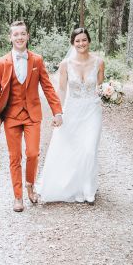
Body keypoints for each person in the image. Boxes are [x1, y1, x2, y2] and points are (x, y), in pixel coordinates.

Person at [0, 20, 63, 212]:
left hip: (32, 115)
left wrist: (57, 111)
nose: (19, 37)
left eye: (23, 34)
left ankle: (30, 184)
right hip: (11, 116)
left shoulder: (37, 60)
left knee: (32, 153)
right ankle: (18, 196)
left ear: (28, 36)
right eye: (16, 34)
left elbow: (47, 87)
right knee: (15, 157)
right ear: (10, 37)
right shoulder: (1, 63)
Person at [36, 27, 104, 203]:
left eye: (84, 40)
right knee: (71, 147)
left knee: (89, 149)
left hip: (92, 110)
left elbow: (100, 88)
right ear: (73, 43)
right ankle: (72, 184)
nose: (81, 43)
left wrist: (110, 92)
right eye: (77, 41)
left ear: (89, 41)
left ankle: (88, 189)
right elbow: (62, 89)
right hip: (72, 109)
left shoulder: (99, 62)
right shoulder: (66, 64)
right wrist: (58, 112)